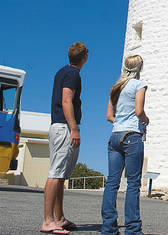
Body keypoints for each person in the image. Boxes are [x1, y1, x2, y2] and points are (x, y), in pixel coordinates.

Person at [41, 42, 88, 234]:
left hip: (60, 126)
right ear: (85, 57)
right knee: (55, 174)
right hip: (64, 127)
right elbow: (66, 99)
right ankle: (47, 220)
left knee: (60, 175)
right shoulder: (73, 74)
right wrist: (74, 128)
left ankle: (59, 218)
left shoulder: (61, 72)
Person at [101, 55, 148, 235]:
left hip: (114, 135)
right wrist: (146, 120)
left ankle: (108, 228)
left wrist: (120, 121)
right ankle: (133, 229)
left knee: (112, 182)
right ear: (139, 68)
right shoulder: (139, 85)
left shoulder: (116, 87)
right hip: (131, 136)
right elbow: (139, 111)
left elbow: (109, 116)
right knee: (133, 184)